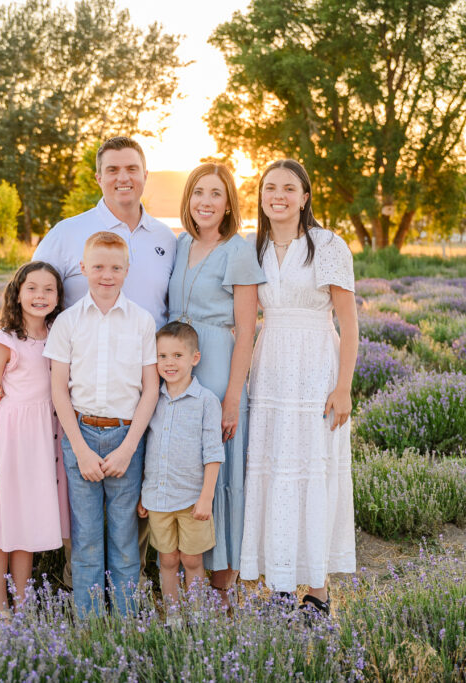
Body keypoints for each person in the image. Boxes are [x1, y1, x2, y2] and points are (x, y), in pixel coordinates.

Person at [239, 159, 359, 616]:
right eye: (271, 187)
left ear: (305, 196)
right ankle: (282, 586)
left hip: (316, 368)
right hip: (270, 368)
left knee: (313, 472)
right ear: (262, 195)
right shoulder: (257, 246)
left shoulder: (327, 244)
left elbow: (349, 324)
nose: (279, 195)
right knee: (272, 472)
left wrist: (343, 387)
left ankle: (318, 592)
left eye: (290, 188)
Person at [44, 231, 159, 618]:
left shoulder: (142, 322)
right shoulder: (68, 322)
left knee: (126, 540)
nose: (105, 275)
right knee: (87, 538)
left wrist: (128, 448)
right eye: (97, 267)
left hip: (127, 436)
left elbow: (150, 389)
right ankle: (90, 626)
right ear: (82, 269)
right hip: (81, 435)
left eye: (114, 267)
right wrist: (79, 448)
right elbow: (59, 390)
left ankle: (126, 623)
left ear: (127, 270)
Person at [167, 163, 265, 606]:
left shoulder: (238, 250)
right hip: (178, 366)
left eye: (216, 194)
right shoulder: (180, 243)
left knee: (220, 469)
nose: (205, 202)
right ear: (188, 199)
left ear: (229, 204)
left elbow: (246, 329)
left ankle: (222, 587)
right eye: (198, 193)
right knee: (185, 465)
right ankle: (188, 578)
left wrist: (231, 397)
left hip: (218, 367)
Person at [0, 261, 70, 618]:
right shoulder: (4, 341)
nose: (39, 296)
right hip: (12, 439)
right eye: (31, 288)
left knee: (26, 521)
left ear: (58, 297)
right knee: (1, 523)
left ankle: (24, 604)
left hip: (44, 440)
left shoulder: (58, 335)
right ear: (17, 292)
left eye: (49, 289)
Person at [34, 136, 176, 329]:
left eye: (132, 169)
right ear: (99, 179)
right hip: (84, 358)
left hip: (149, 358)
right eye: (113, 170)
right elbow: (32, 298)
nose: (123, 178)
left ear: (145, 175)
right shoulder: (65, 233)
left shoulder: (166, 238)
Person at [137, 322, 224, 624]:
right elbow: (145, 449)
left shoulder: (206, 402)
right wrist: (143, 492)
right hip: (157, 498)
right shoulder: (152, 399)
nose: (169, 363)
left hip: (191, 500)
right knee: (167, 559)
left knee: (192, 559)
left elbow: (213, 453)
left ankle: (197, 616)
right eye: (162, 356)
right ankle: (174, 617)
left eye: (177, 355)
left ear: (194, 358)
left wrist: (206, 498)